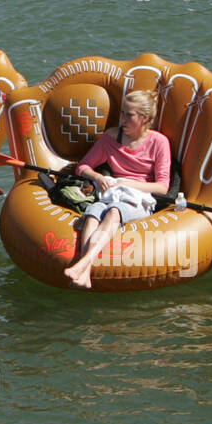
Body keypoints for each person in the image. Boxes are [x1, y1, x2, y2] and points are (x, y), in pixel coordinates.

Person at [63, 90, 172, 289]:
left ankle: (84, 265)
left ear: (145, 118)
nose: (123, 119)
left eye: (129, 115)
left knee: (114, 212)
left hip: (138, 199)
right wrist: (98, 177)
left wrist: (128, 184)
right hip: (111, 194)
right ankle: (85, 273)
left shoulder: (158, 142)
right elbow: (83, 166)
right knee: (93, 213)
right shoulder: (111, 138)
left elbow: (163, 187)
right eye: (122, 113)